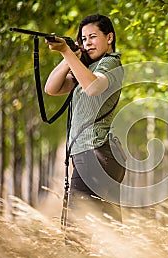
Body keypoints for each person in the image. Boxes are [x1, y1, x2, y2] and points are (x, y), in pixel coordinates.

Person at [44, 14, 125, 231]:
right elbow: (51, 88)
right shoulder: (89, 68)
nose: (87, 42)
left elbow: (93, 88)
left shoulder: (110, 63)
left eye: (92, 37)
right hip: (94, 155)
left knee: (75, 231)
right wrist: (68, 56)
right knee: (109, 231)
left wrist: (67, 52)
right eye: (83, 38)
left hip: (96, 154)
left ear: (109, 37)